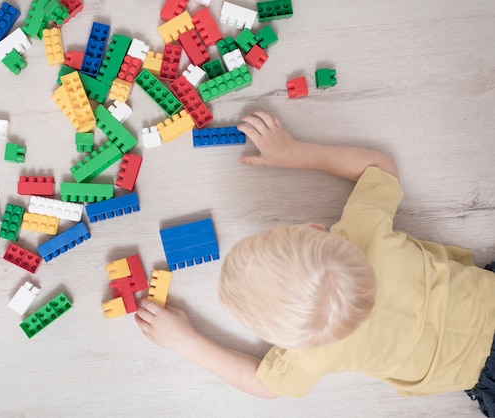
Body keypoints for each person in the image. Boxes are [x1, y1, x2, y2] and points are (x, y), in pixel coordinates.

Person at [134, 111, 495, 416]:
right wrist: (296, 152)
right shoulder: (363, 232)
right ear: (313, 229)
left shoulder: (311, 357)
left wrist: (185, 341)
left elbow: (264, 384)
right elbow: (380, 166)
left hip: (478, 369)